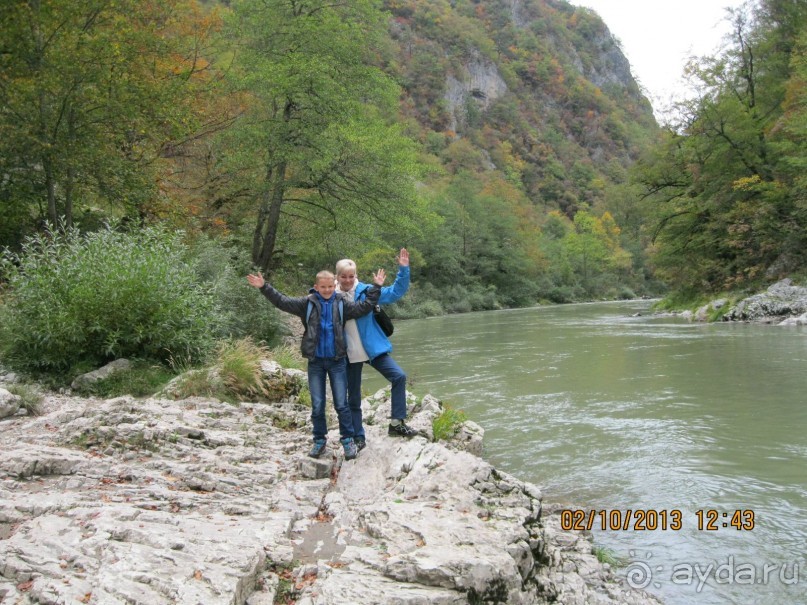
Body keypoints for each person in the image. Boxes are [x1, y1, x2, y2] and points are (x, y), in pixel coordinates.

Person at [246, 268, 385, 460]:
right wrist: (264, 287)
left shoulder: (342, 303)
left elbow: (365, 307)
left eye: (330, 286)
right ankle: (319, 440)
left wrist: (376, 286)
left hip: (337, 361)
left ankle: (347, 441)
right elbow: (282, 302)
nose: (327, 290)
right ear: (316, 287)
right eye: (323, 287)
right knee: (318, 404)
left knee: (341, 404)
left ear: (334, 286)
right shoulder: (307, 303)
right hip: (316, 362)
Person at [335, 248, 417, 451]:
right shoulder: (330, 295)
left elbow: (396, 292)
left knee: (398, 376)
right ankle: (358, 436)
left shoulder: (367, 290)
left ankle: (397, 424)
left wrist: (403, 269)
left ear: (356, 275)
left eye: (351, 276)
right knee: (352, 397)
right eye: (343, 276)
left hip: (373, 349)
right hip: (347, 353)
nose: (347, 280)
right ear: (337, 276)